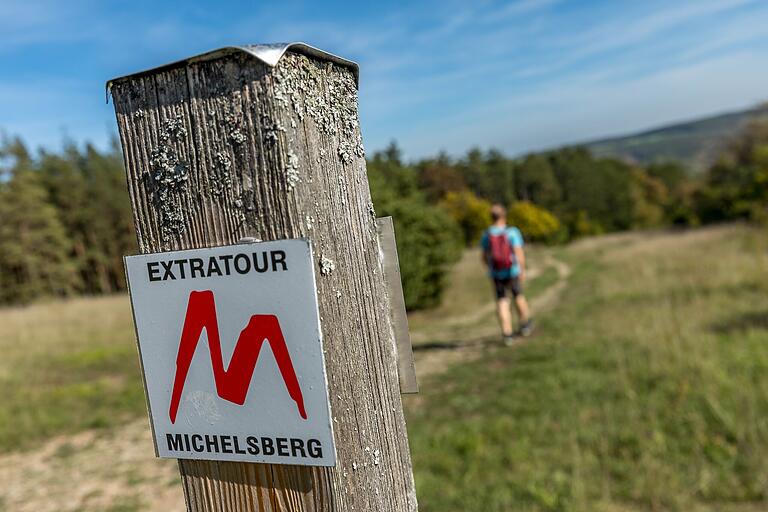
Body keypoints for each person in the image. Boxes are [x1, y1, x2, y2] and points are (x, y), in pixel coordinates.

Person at [480, 204, 533, 345]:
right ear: (504, 216)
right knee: (518, 296)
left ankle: (507, 334)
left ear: (491, 217)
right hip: (512, 271)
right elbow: (519, 253)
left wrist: (490, 268)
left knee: (502, 301)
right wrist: (522, 269)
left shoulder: (487, 234)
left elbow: (484, 257)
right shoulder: (512, 232)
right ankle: (525, 325)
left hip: (496, 273)